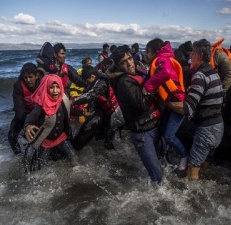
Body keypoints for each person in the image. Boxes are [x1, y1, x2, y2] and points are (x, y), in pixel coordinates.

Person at [167, 39, 224, 180]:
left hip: (207, 129)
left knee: (192, 172)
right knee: (203, 165)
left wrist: (165, 103)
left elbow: (187, 108)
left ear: (198, 55)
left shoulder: (199, 76)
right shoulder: (213, 72)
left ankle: (193, 198)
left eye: (192, 53)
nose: (190, 57)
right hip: (218, 126)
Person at [106, 45, 163, 184]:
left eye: (130, 58)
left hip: (152, 126)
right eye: (124, 62)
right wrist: (154, 84)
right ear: (118, 66)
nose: (129, 63)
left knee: (161, 169)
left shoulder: (136, 72)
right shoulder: (124, 81)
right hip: (143, 133)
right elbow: (143, 103)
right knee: (157, 177)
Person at [143, 38, 188, 175]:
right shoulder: (165, 58)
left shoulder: (160, 59)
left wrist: (148, 86)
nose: (145, 54)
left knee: (168, 136)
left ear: (153, 52)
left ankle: (185, 155)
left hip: (177, 104)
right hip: (172, 102)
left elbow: (166, 73)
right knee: (163, 132)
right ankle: (166, 158)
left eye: (147, 51)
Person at [24, 74, 78, 169]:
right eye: (51, 87)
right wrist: (27, 125)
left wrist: (82, 112)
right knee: (42, 167)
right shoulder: (41, 106)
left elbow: (70, 110)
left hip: (61, 137)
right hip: (46, 141)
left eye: (57, 87)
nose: (55, 90)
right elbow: (31, 116)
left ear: (61, 87)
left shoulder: (63, 102)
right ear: (46, 88)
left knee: (74, 157)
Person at [72, 65, 119, 150]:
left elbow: (91, 95)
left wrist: (73, 102)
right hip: (105, 112)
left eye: (87, 80)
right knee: (100, 136)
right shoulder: (96, 80)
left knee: (108, 142)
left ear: (92, 76)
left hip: (113, 115)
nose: (87, 83)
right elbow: (88, 91)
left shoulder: (101, 83)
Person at [8, 62, 42, 155]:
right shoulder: (18, 86)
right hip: (23, 114)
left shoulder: (43, 83)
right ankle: (18, 155)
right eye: (25, 77)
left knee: (39, 135)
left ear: (36, 76)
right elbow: (19, 109)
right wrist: (27, 124)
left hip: (39, 114)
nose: (28, 80)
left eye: (30, 77)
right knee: (11, 136)